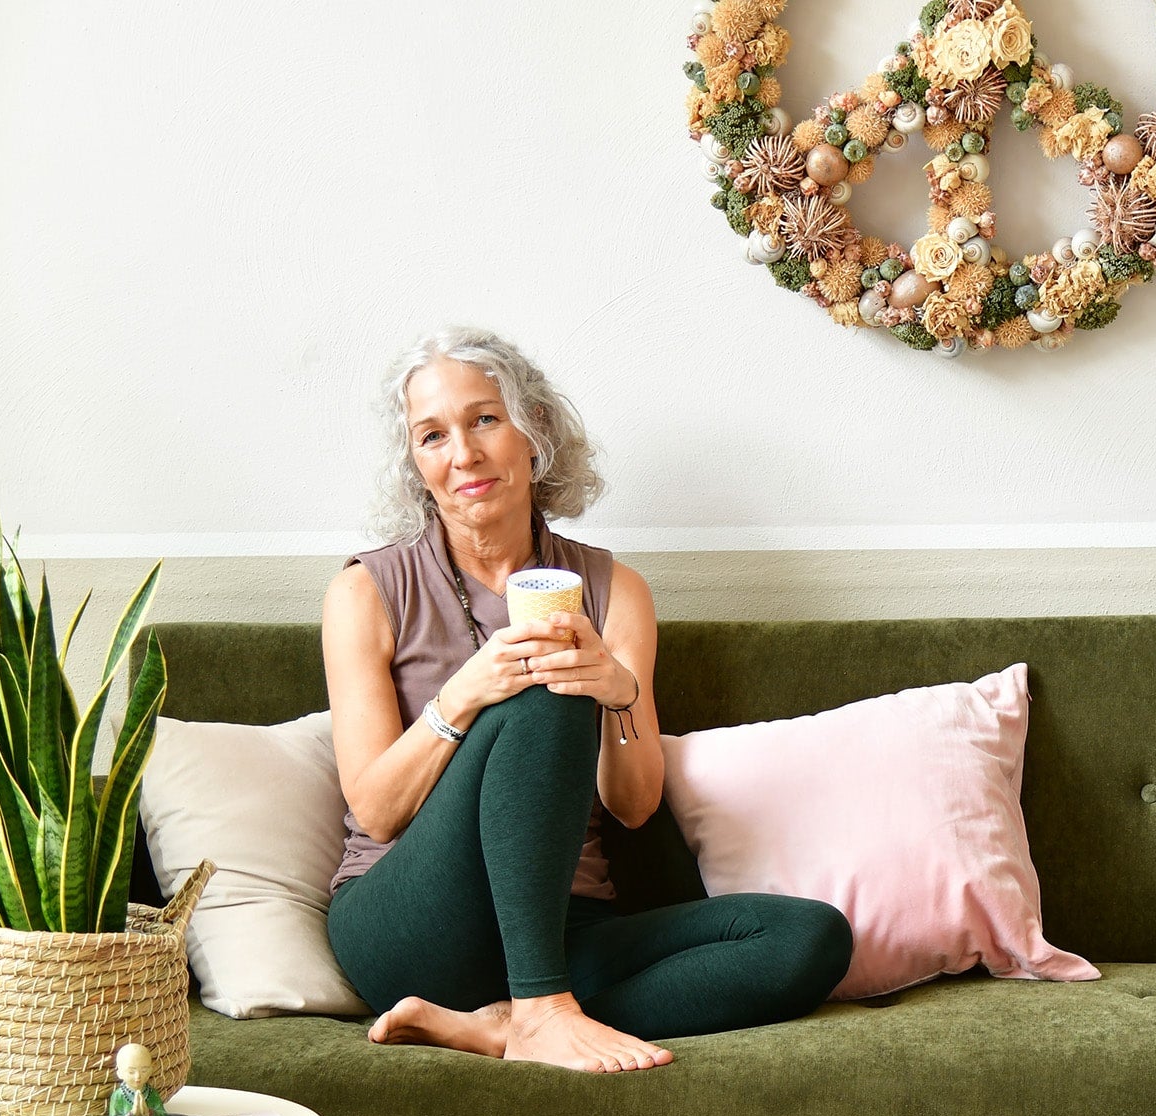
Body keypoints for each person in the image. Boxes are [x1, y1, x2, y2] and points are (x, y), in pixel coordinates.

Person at [323, 328, 852, 1072]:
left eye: (484, 419)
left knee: (809, 939)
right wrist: (466, 694)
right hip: (410, 921)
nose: (464, 454)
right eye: (432, 435)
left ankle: (504, 1023)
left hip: (566, 928)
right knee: (545, 687)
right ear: (416, 466)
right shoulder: (367, 592)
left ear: (532, 432)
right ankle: (540, 1011)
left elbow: (633, 806)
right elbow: (376, 809)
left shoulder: (615, 590)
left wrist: (617, 689)